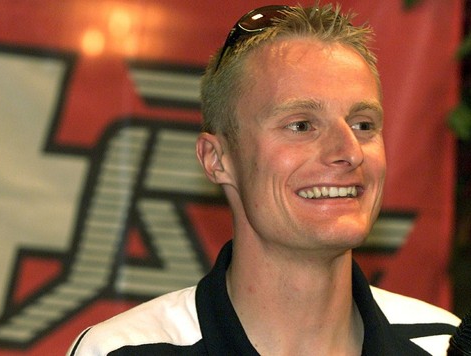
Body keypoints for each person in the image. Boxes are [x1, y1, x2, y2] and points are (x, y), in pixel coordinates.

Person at [68, 3, 460, 355]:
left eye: (363, 124)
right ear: (217, 159)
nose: (350, 151)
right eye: (302, 125)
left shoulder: (444, 346)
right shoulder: (123, 351)